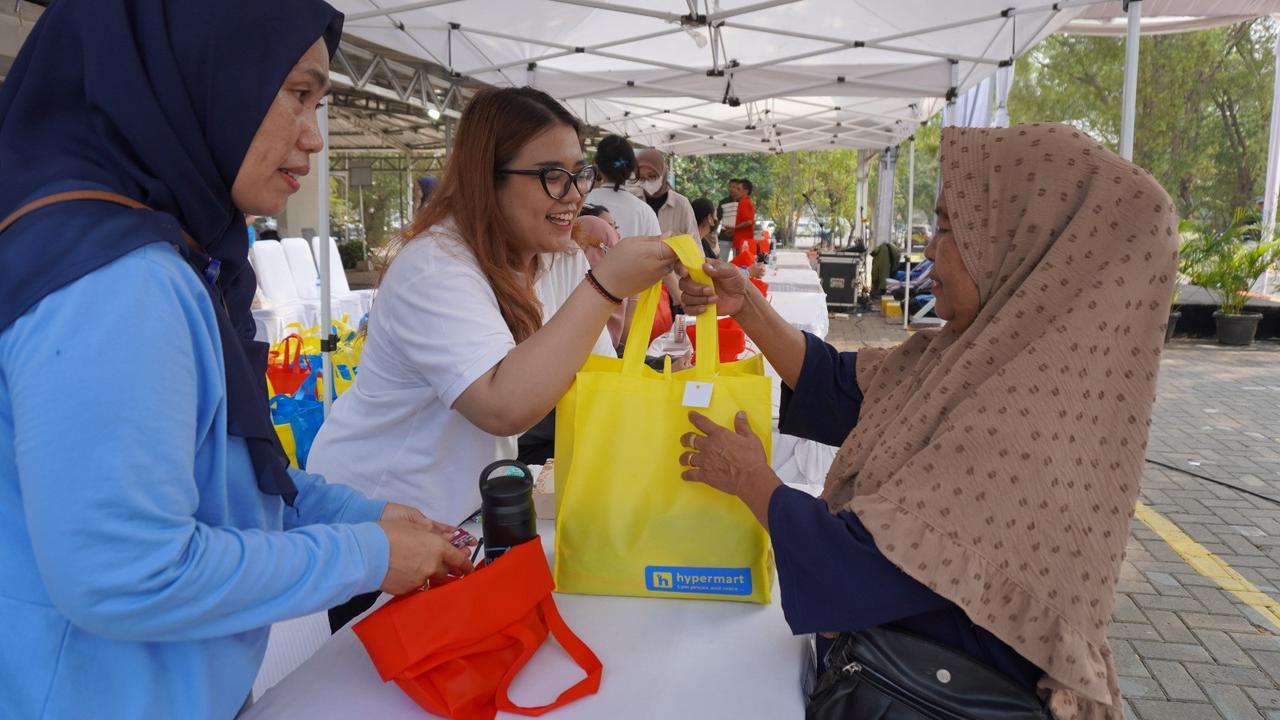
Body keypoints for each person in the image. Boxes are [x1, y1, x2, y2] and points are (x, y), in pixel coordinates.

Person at [0, 2, 473, 718]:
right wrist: (368, 555)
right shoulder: (119, 284)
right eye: (297, 93)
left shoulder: (144, 253)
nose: (313, 136)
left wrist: (365, 516)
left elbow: (217, 480)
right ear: (197, 74)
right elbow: (130, 572)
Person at [676, 123, 1178, 719]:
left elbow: (857, 570)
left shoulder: (1022, 423)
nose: (929, 250)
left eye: (947, 227)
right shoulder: (988, 357)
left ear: (1025, 242)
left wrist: (752, 480)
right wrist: (748, 307)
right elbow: (846, 389)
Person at [308, 88, 675, 629]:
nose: (574, 193)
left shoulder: (548, 257)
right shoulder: (436, 266)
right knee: (387, 667)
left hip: (457, 517)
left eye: (579, 174)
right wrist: (605, 286)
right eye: (552, 175)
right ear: (488, 177)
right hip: (379, 516)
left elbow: (593, 374)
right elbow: (500, 404)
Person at [636, 148, 699, 240]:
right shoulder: (634, 200)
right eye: (641, 178)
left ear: (663, 173)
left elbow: (695, 243)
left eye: (652, 176)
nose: (647, 182)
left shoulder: (682, 204)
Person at [730, 177, 756, 259]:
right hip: (740, 241)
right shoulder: (742, 202)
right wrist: (733, 230)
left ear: (746, 191)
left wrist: (734, 227)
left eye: (738, 189)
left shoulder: (746, 203)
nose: (735, 191)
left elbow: (749, 222)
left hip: (743, 243)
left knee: (741, 265)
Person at [716, 180, 739, 261]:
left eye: (734, 186)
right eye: (730, 186)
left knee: (738, 262)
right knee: (722, 261)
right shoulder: (723, 202)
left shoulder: (743, 202)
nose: (731, 189)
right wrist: (714, 233)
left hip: (738, 236)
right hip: (724, 235)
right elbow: (718, 218)